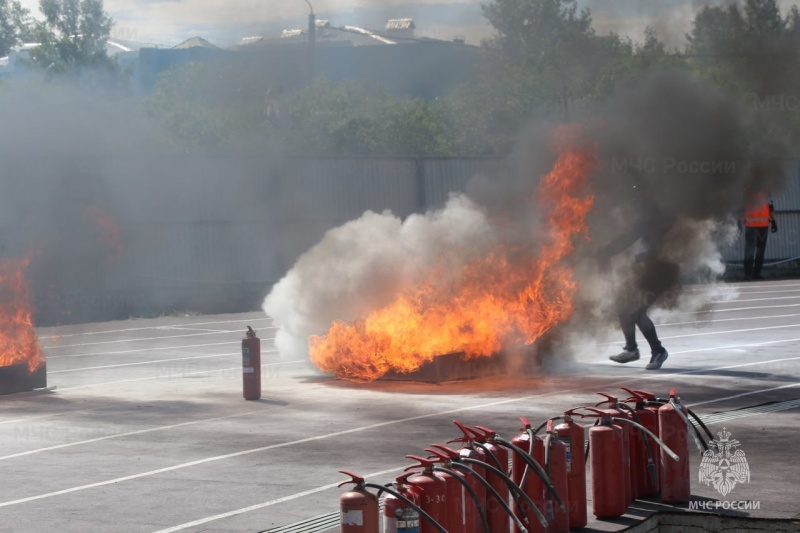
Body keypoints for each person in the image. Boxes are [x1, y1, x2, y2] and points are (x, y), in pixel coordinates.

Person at [597, 199, 673, 371]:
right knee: (623, 306)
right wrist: (606, 251)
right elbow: (625, 240)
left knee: (636, 312)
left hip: (658, 274)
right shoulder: (645, 223)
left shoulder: (660, 224)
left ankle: (658, 351)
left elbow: (656, 249)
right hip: (642, 272)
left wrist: (644, 257)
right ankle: (631, 349)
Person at [743, 192, 777, 280]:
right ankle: (751, 274)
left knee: (754, 252)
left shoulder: (749, 191)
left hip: (755, 226)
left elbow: (770, 208)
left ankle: (752, 274)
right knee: (756, 252)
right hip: (758, 226)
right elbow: (771, 208)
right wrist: (773, 222)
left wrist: (773, 222)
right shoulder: (765, 192)